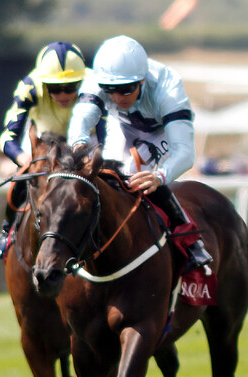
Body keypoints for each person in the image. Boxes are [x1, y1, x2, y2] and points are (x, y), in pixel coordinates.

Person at [67, 35, 211, 273]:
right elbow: (80, 122)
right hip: (122, 125)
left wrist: (160, 176)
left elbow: (185, 152)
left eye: (125, 90)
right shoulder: (96, 79)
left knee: (138, 177)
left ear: (142, 80)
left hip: (161, 131)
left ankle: (191, 242)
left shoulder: (168, 88)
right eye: (109, 91)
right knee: (107, 175)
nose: (117, 98)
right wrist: (79, 147)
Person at [0, 41, 88, 257]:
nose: (63, 95)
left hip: (83, 144)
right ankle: (6, 230)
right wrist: (21, 157)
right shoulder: (29, 86)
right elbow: (8, 137)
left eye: (71, 87)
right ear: (43, 83)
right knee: (18, 184)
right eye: (55, 88)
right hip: (45, 145)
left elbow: (105, 131)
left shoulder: (93, 83)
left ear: (81, 81)